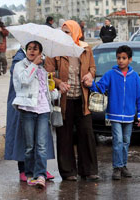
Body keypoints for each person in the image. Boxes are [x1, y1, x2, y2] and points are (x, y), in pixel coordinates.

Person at [45, 20, 99, 181]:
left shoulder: (85, 48)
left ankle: (88, 170)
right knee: (64, 136)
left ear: (75, 32)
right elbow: (47, 75)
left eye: (67, 32)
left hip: (82, 99)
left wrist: (90, 75)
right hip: (64, 101)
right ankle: (68, 172)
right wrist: (59, 83)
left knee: (86, 134)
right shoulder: (54, 51)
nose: (64, 35)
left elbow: (92, 68)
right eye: (62, 32)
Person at [83, 45, 140, 180]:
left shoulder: (134, 77)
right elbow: (100, 87)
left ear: (130, 60)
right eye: (118, 58)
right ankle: (117, 167)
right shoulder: (110, 74)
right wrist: (90, 84)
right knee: (117, 140)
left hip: (129, 116)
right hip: (114, 115)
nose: (121, 61)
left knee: (126, 141)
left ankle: (123, 166)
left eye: (124, 58)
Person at [12, 41, 59, 189]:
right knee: (30, 145)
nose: (32, 51)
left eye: (35, 49)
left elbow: (45, 89)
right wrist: (34, 65)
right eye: (30, 49)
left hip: (43, 109)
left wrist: (56, 92)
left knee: (42, 145)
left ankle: (41, 175)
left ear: (40, 52)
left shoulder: (42, 68)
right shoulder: (20, 66)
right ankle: (30, 174)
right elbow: (24, 81)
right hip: (28, 108)